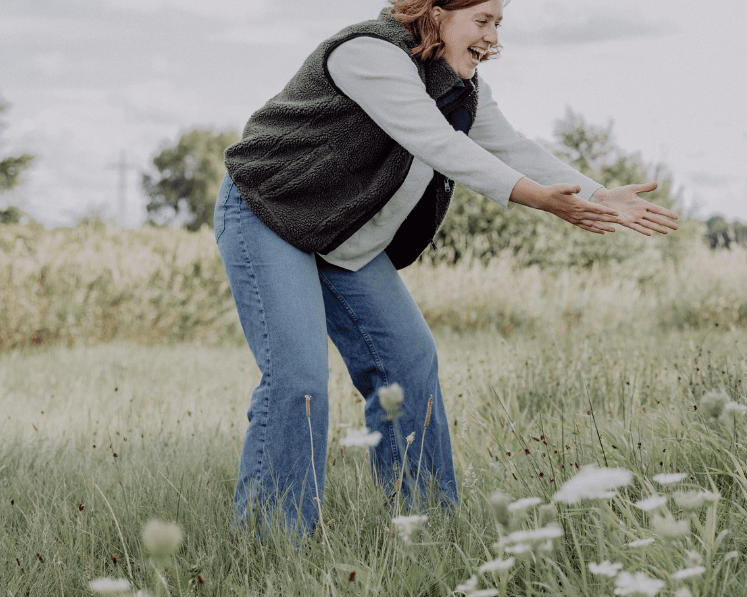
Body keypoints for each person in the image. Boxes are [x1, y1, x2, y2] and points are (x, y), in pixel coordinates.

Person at [215, 0, 678, 535]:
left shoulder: (459, 86)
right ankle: (273, 541)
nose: (492, 37)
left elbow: (510, 147)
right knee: (298, 378)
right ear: (433, 14)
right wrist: (540, 200)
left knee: (408, 362)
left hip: (342, 233)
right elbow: (436, 143)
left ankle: (427, 528)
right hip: (269, 210)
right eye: (481, 21)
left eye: (498, 24)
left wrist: (597, 194)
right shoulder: (369, 53)